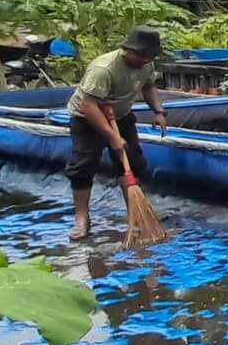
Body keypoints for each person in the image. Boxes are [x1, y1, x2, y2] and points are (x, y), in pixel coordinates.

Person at [66, 26, 167, 241]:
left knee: (131, 162)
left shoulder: (146, 65)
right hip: (87, 118)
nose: (143, 60)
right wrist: (112, 138)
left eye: (148, 57)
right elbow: (88, 105)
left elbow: (148, 87)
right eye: (139, 55)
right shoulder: (104, 68)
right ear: (127, 49)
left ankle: (135, 213)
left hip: (120, 115)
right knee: (83, 165)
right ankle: (81, 219)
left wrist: (158, 111)